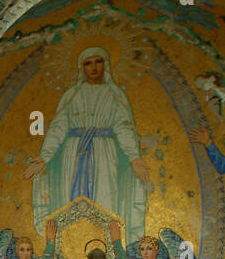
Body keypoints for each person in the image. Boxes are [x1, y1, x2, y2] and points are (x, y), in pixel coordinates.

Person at [25, 46, 148, 240]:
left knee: (105, 199)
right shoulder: (72, 95)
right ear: (81, 67)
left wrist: (134, 157)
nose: (93, 67)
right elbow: (58, 127)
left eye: (98, 62)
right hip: (74, 154)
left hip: (104, 154)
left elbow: (124, 127)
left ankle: (107, 250)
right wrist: (45, 157)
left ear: (106, 65)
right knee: (71, 201)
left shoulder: (114, 95)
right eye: (88, 63)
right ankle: (73, 245)